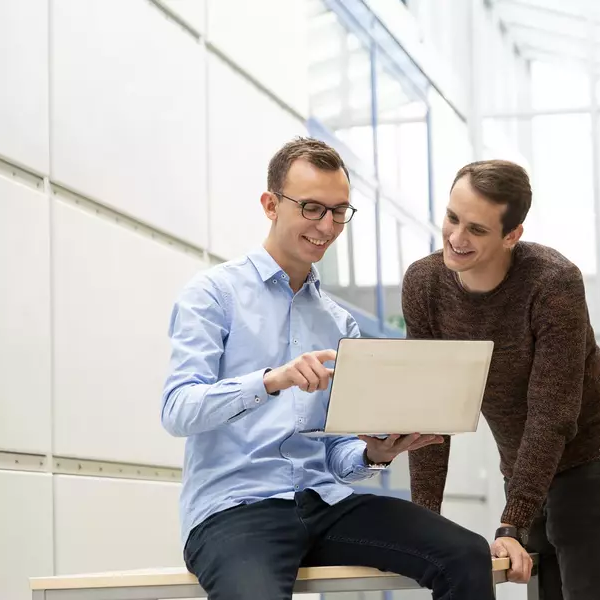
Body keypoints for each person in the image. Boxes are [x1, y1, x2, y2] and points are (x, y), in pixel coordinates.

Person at [161, 138, 496, 600]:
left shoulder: (340, 322)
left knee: (465, 554)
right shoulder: (212, 295)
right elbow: (178, 410)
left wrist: (375, 454)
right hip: (235, 511)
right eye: (313, 208)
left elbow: (338, 451)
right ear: (270, 205)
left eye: (339, 211)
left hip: (325, 503)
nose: (327, 226)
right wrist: (271, 380)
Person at [402, 159, 600, 600]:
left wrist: (512, 522)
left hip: (592, 462)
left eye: (476, 229)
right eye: (452, 218)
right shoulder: (425, 284)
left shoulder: (553, 283)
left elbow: (553, 414)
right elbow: (431, 413)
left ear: (512, 235)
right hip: (522, 466)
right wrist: (424, 524)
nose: (455, 238)